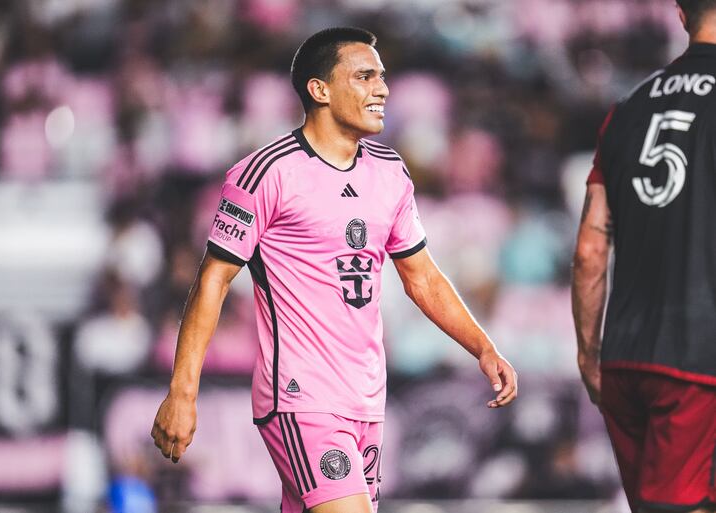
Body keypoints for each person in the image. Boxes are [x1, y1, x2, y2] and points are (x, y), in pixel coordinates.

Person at [151, 27, 518, 513]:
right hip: (300, 394)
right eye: (365, 76)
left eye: (382, 77)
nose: (382, 89)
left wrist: (483, 347)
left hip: (367, 399)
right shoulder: (266, 173)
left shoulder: (390, 171)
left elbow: (423, 277)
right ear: (319, 90)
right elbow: (212, 280)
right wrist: (182, 392)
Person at [572, 2, 716, 513]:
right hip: (699, 363)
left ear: (680, 13)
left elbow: (590, 251)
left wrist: (590, 357)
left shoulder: (627, 108)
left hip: (626, 358)